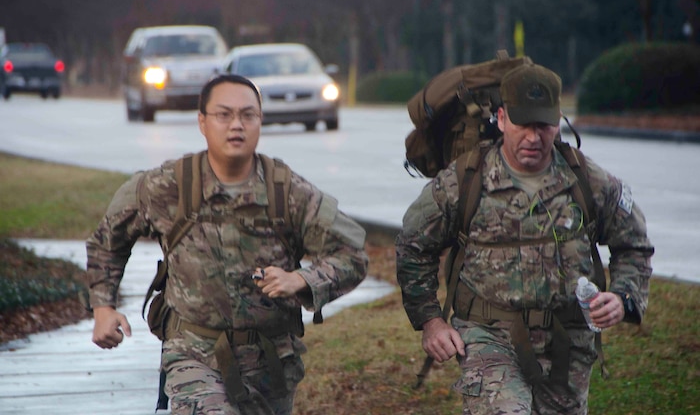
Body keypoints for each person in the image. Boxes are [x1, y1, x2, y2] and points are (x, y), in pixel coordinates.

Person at [86, 74, 369, 415]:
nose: (237, 125)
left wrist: (301, 280)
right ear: (202, 122)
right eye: (224, 115)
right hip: (193, 353)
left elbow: (352, 254)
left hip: (271, 362)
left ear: (260, 121)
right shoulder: (165, 186)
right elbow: (107, 241)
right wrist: (103, 308)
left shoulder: (288, 192)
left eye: (248, 115)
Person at [396, 64, 653, 414]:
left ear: (558, 121)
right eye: (523, 124)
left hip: (568, 342)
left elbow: (634, 245)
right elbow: (413, 247)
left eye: (544, 126)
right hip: (488, 336)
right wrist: (431, 321)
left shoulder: (588, 180)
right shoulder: (465, 180)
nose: (534, 137)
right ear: (501, 119)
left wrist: (623, 296)